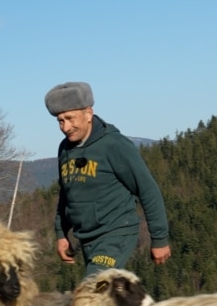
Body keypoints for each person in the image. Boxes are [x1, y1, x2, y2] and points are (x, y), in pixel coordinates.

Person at [45, 81, 171, 276]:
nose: (65, 127)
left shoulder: (114, 145)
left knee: (95, 287)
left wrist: (160, 239)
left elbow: (147, 190)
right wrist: (61, 234)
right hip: (86, 238)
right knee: (104, 295)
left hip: (116, 235)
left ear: (88, 113)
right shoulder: (65, 149)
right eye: (60, 121)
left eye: (70, 118)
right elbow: (66, 195)